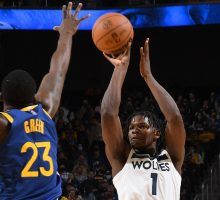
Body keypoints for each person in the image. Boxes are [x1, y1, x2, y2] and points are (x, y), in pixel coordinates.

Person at [0, 2, 89, 199]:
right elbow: (58, 71)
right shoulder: (46, 110)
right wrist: (66, 34)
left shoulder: (4, 123)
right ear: (34, 96)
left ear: (3, 97)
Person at [101, 38, 186, 199]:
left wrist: (148, 77)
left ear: (156, 133)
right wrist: (120, 70)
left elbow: (174, 118)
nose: (134, 131)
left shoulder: (172, 160)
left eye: (142, 126)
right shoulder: (121, 160)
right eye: (132, 128)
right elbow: (108, 114)